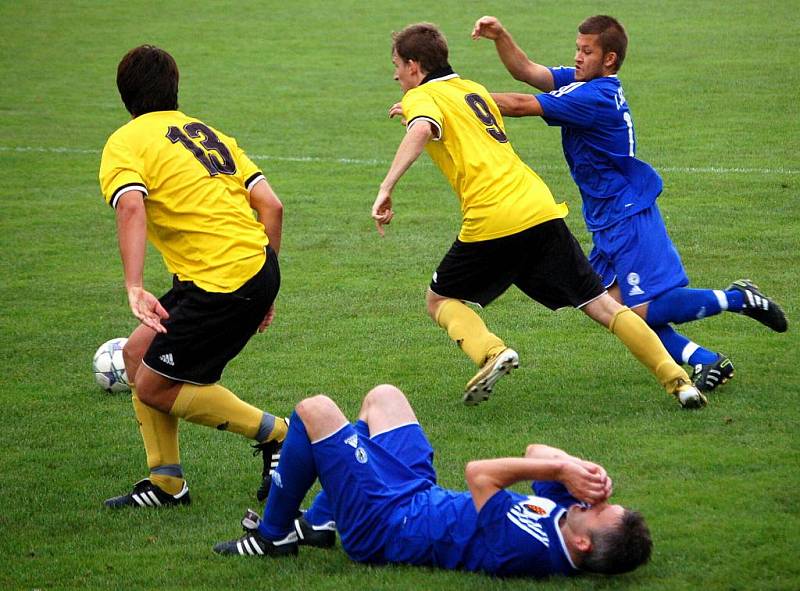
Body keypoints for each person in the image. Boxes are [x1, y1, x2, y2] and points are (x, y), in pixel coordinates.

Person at [372, 23, 705, 408]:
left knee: (440, 299)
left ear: (414, 66)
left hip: (492, 218)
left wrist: (386, 186)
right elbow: (447, 115)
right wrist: (415, 111)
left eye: (397, 64)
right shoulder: (472, 89)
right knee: (602, 305)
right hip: (539, 207)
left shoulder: (423, 99)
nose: (395, 74)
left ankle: (492, 352)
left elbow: (425, 126)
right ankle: (679, 381)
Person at [472, 15, 788, 392]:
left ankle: (737, 298)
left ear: (609, 59)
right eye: (577, 49)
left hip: (626, 213)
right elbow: (527, 72)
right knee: (610, 306)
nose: (577, 57)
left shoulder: (594, 97)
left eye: (586, 52)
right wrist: (500, 36)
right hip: (605, 216)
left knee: (639, 308)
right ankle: (705, 361)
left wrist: (460, 102)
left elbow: (522, 104)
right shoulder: (585, 82)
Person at [99, 45, 287, 508]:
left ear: (125, 96)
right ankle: (166, 484)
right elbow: (272, 206)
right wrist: (266, 285)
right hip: (246, 268)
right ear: (174, 88)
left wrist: (134, 285)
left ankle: (281, 435)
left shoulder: (125, 142)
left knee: (153, 385)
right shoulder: (207, 132)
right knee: (136, 355)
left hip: (222, 278)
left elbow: (130, 204)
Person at [214, 384, 652, 577]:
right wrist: (580, 468)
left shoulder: (531, 548)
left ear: (583, 544)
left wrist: (559, 473)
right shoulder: (564, 522)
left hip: (384, 526)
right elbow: (536, 453)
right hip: (417, 495)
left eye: (596, 512)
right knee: (384, 397)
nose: (588, 504)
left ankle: (272, 537)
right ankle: (325, 521)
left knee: (315, 410)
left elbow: (479, 474)